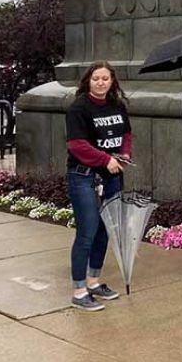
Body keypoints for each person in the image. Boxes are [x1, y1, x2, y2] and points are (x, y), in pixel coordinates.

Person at [64, 61, 131, 311]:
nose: (101, 83)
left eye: (105, 78)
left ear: (112, 81)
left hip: (112, 175)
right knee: (87, 231)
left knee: (105, 229)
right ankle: (79, 290)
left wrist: (123, 155)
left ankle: (94, 281)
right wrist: (106, 159)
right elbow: (77, 145)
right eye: (96, 79)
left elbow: (126, 135)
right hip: (84, 177)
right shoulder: (79, 108)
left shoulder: (117, 106)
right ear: (88, 81)